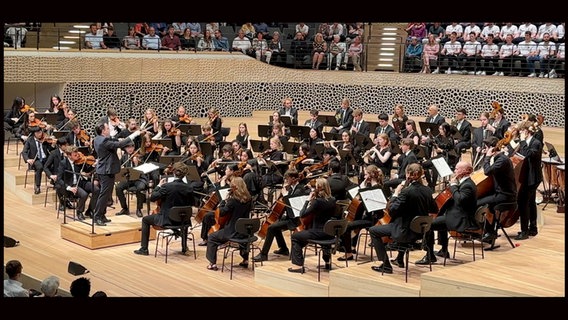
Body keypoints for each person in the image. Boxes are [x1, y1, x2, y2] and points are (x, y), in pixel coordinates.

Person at [369, 163, 438, 274]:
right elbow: (434, 209)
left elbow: (392, 211)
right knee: (400, 223)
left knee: (373, 231)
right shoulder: (428, 190)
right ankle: (399, 259)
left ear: (408, 174)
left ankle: (386, 265)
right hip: (420, 231)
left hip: (405, 231)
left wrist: (396, 193)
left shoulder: (406, 192)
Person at [419, 161, 477, 264]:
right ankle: (444, 251)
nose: (455, 171)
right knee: (441, 217)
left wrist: (453, 186)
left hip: (461, 219)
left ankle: (429, 256)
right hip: (458, 214)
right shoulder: (465, 182)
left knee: (428, 224)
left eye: (457, 169)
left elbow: (459, 200)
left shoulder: (468, 185)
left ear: (464, 171)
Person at [133, 162, 194, 256]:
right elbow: (192, 203)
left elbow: (152, 197)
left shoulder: (167, 186)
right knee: (182, 215)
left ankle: (144, 249)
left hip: (167, 220)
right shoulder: (189, 188)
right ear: (184, 174)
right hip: (183, 221)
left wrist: (158, 186)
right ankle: (184, 247)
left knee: (145, 220)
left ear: (173, 172)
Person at [253, 169, 310, 262]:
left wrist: (285, 194)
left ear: (293, 178)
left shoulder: (300, 189)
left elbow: (292, 206)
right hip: (289, 217)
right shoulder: (292, 188)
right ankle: (283, 248)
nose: (286, 181)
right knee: (275, 225)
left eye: (287, 179)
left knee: (271, 228)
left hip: (296, 220)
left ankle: (264, 254)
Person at [92, 122, 141, 226]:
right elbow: (119, 145)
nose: (109, 129)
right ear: (103, 131)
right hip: (106, 171)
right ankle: (97, 216)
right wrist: (134, 134)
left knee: (106, 194)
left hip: (105, 170)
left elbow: (113, 140)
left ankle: (102, 215)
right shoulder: (104, 141)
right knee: (104, 195)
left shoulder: (97, 138)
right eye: (107, 128)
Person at [288, 178, 337, 273]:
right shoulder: (333, 200)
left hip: (318, 233)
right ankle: (327, 262)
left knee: (295, 237)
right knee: (303, 239)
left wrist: (307, 201)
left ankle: (297, 265)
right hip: (329, 233)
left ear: (318, 188)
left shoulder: (317, 202)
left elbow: (302, 214)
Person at [206, 177, 253, 271]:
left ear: (233, 187)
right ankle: (245, 260)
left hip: (232, 232)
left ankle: (212, 263)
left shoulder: (232, 201)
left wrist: (223, 201)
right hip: (245, 231)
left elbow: (222, 212)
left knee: (212, 237)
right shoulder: (249, 199)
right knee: (243, 239)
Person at [476, 136, 517, 243]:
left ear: (492, 148)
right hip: (500, 192)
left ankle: (484, 231)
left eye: (486, 147)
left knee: (477, 203)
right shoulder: (499, 158)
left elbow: (487, 171)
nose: (485, 149)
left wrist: (487, 157)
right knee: (488, 204)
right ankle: (489, 232)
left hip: (505, 195)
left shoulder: (502, 160)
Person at [338, 164, 384, 261]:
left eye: (365, 174)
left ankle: (348, 253)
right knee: (356, 219)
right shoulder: (370, 186)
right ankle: (353, 246)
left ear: (370, 175)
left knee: (347, 227)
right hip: (367, 217)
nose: (364, 176)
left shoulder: (376, 188)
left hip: (373, 219)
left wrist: (362, 188)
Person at [515, 120, 543, 240]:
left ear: (526, 132)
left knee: (523, 203)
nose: (520, 133)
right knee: (530, 202)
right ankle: (533, 228)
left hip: (532, 178)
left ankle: (524, 231)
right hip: (526, 176)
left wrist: (521, 141)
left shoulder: (536, 143)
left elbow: (528, 154)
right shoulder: (525, 142)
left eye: (521, 131)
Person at [57, 145, 100, 220]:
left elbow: (87, 170)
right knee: (84, 194)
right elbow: (59, 179)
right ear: (69, 155)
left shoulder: (79, 162)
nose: (77, 156)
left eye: (77, 154)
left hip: (80, 182)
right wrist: (69, 188)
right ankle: (79, 212)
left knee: (96, 190)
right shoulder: (63, 163)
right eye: (75, 155)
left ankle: (90, 210)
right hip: (71, 185)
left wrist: (93, 165)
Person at [115, 141, 148, 218]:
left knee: (140, 188)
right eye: (127, 147)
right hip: (128, 179)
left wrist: (136, 164)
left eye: (131, 147)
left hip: (139, 178)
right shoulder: (124, 157)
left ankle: (139, 209)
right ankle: (125, 208)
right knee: (118, 188)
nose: (130, 149)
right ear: (125, 149)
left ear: (134, 147)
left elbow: (143, 170)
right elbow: (119, 166)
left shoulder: (140, 156)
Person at [21, 126, 50, 194]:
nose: (40, 134)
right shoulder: (29, 140)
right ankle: (37, 186)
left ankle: (54, 181)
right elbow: (24, 152)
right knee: (39, 167)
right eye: (38, 133)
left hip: (45, 158)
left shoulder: (45, 139)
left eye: (40, 132)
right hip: (36, 159)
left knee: (55, 163)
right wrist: (28, 160)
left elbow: (51, 149)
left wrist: (53, 145)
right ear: (34, 133)